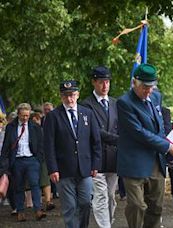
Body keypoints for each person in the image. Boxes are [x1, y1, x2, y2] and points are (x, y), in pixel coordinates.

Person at [117, 63, 173, 228]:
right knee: (137, 205)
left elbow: (159, 124)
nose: (149, 91)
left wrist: (170, 142)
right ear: (134, 83)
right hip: (134, 163)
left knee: (156, 207)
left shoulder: (155, 97)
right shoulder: (124, 103)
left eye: (152, 86)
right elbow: (139, 132)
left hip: (155, 161)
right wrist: (167, 146)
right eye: (145, 87)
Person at [44, 80, 102, 228]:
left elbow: (95, 141)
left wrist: (96, 164)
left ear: (78, 95)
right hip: (64, 169)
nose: (69, 99)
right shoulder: (53, 116)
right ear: (61, 96)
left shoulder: (87, 113)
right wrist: (52, 168)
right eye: (66, 96)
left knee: (85, 203)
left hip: (85, 168)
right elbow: (48, 145)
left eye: (72, 95)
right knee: (69, 207)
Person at [81, 66, 119, 228]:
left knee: (110, 195)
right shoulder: (86, 105)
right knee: (100, 196)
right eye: (102, 82)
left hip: (114, 158)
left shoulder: (115, 103)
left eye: (107, 82)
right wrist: (120, 140)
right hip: (96, 158)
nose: (105, 86)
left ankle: (108, 223)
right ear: (94, 83)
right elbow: (95, 131)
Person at [0, 103, 46, 221]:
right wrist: (5, 163)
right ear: (18, 114)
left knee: (34, 184)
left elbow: (41, 144)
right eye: (22, 116)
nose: (25, 118)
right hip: (17, 161)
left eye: (27, 116)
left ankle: (38, 210)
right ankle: (20, 211)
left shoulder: (35, 127)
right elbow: (6, 146)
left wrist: (38, 160)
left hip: (32, 159)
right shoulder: (11, 127)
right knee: (18, 187)